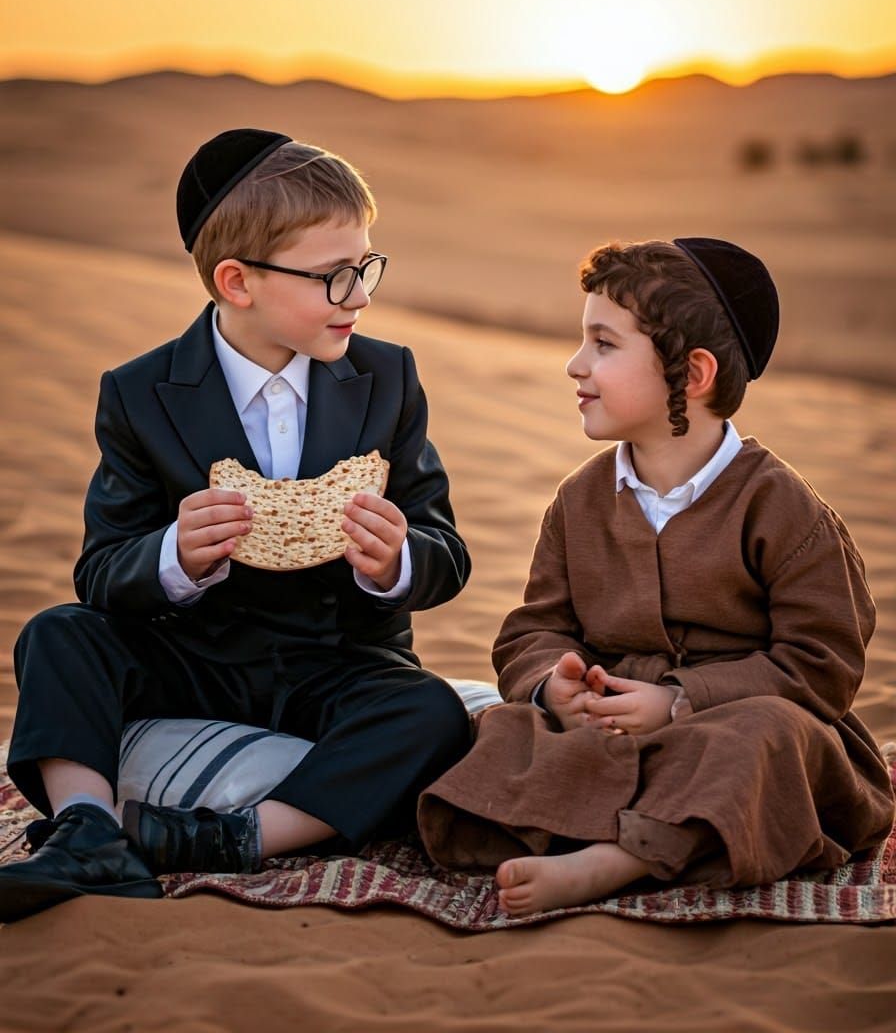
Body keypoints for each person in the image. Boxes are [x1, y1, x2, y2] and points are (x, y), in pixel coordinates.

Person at [0, 129, 472, 922]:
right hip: (198, 655)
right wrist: (174, 556)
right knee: (58, 635)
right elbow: (101, 569)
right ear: (238, 281)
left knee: (430, 714)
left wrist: (393, 562)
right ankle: (86, 832)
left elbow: (445, 552)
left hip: (338, 664)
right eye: (334, 277)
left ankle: (233, 839)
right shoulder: (143, 392)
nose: (360, 295)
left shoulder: (386, 377)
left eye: (367, 268)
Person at [417, 237, 895, 917]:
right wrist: (555, 684)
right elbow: (536, 628)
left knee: (763, 742)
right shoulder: (579, 500)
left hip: (738, 725)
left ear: (691, 374)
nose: (575, 364)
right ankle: (614, 831)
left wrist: (679, 700)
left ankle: (615, 861)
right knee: (504, 732)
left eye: (604, 345)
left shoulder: (785, 510)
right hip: (610, 727)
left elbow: (823, 666)